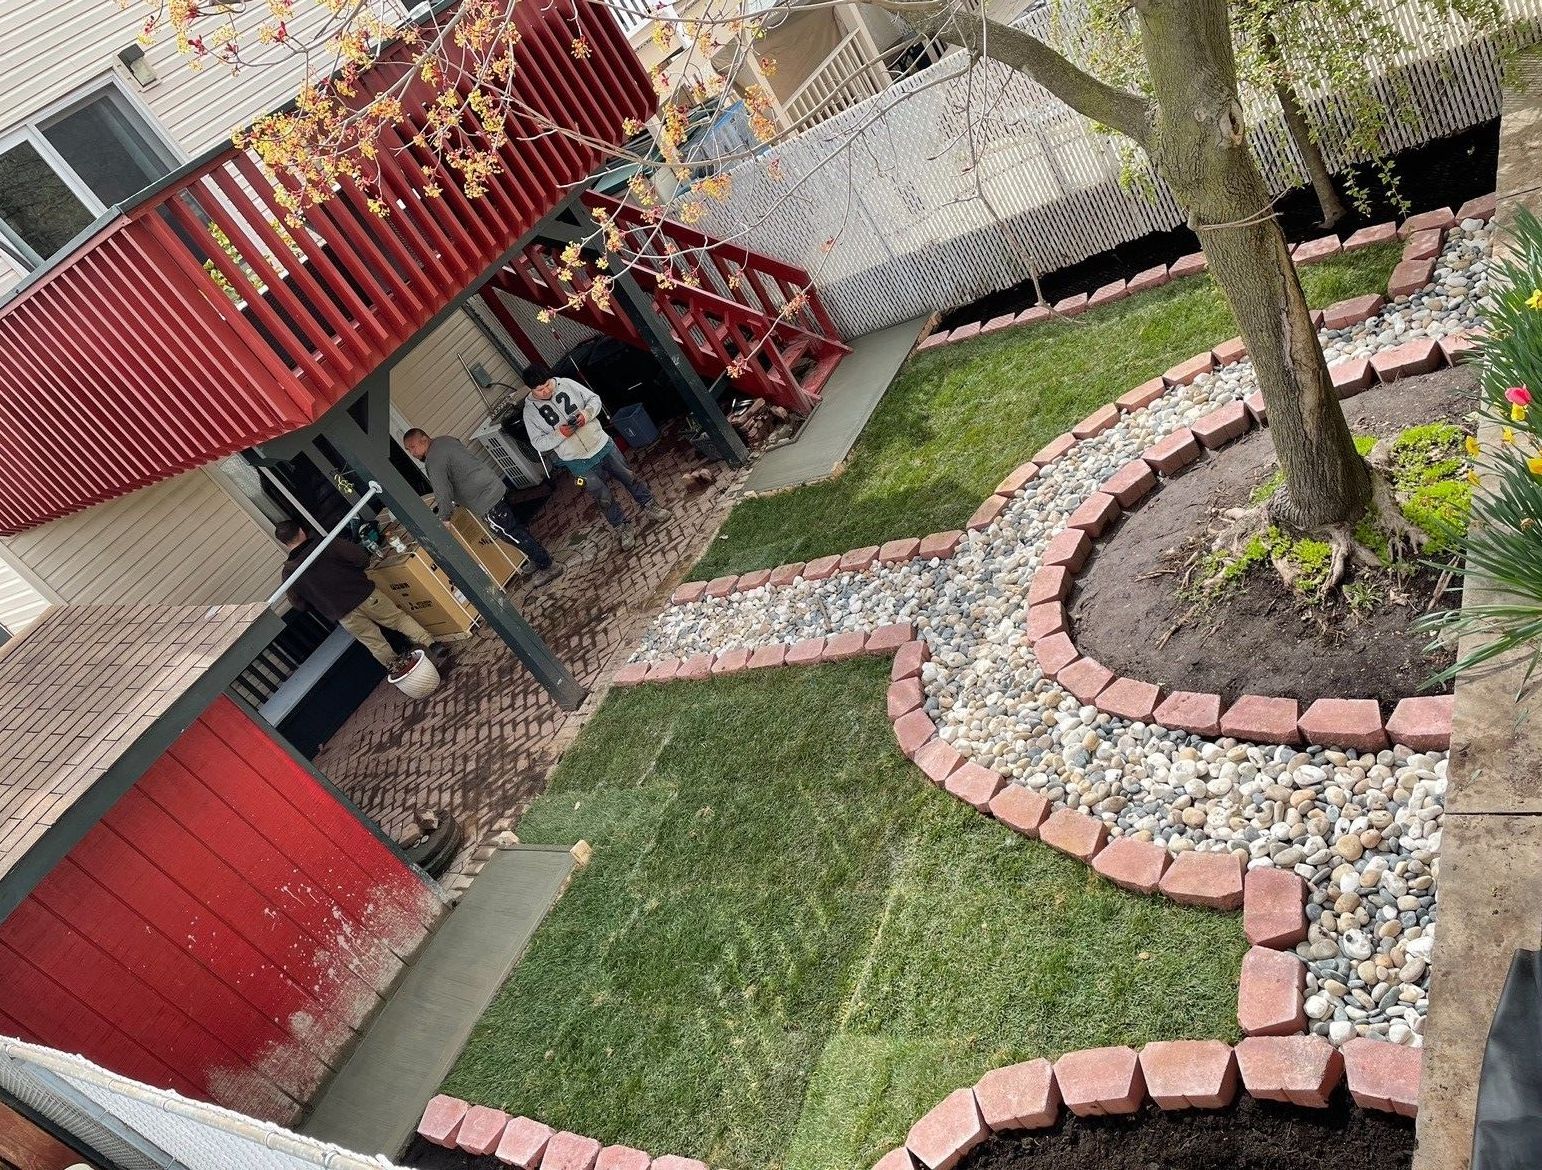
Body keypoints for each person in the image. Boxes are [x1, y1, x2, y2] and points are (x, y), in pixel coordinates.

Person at [520, 365, 671, 550]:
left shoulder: (566, 384)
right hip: (577, 463)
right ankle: (621, 527)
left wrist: (586, 414)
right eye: (539, 389)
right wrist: (560, 434)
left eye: (547, 385)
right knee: (602, 497)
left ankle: (650, 505)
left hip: (602, 444)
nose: (545, 391)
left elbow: (594, 399)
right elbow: (537, 443)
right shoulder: (529, 413)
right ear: (530, 389)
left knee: (629, 477)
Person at [276, 520, 450, 672]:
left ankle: (400, 669)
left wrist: (320, 601)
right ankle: (432, 645)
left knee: (375, 643)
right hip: (364, 593)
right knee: (398, 620)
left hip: (342, 613)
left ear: (284, 543)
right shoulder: (327, 544)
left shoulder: (288, 573)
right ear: (301, 531)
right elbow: (360, 557)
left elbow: (298, 604)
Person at [402, 429, 564, 588]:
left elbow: (442, 491)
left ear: (424, 439)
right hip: (493, 484)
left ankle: (548, 565)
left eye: (413, 447)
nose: (412, 452)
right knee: (515, 528)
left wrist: (444, 518)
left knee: (511, 534)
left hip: (486, 500)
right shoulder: (445, 440)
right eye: (408, 450)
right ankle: (536, 557)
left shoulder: (433, 460)